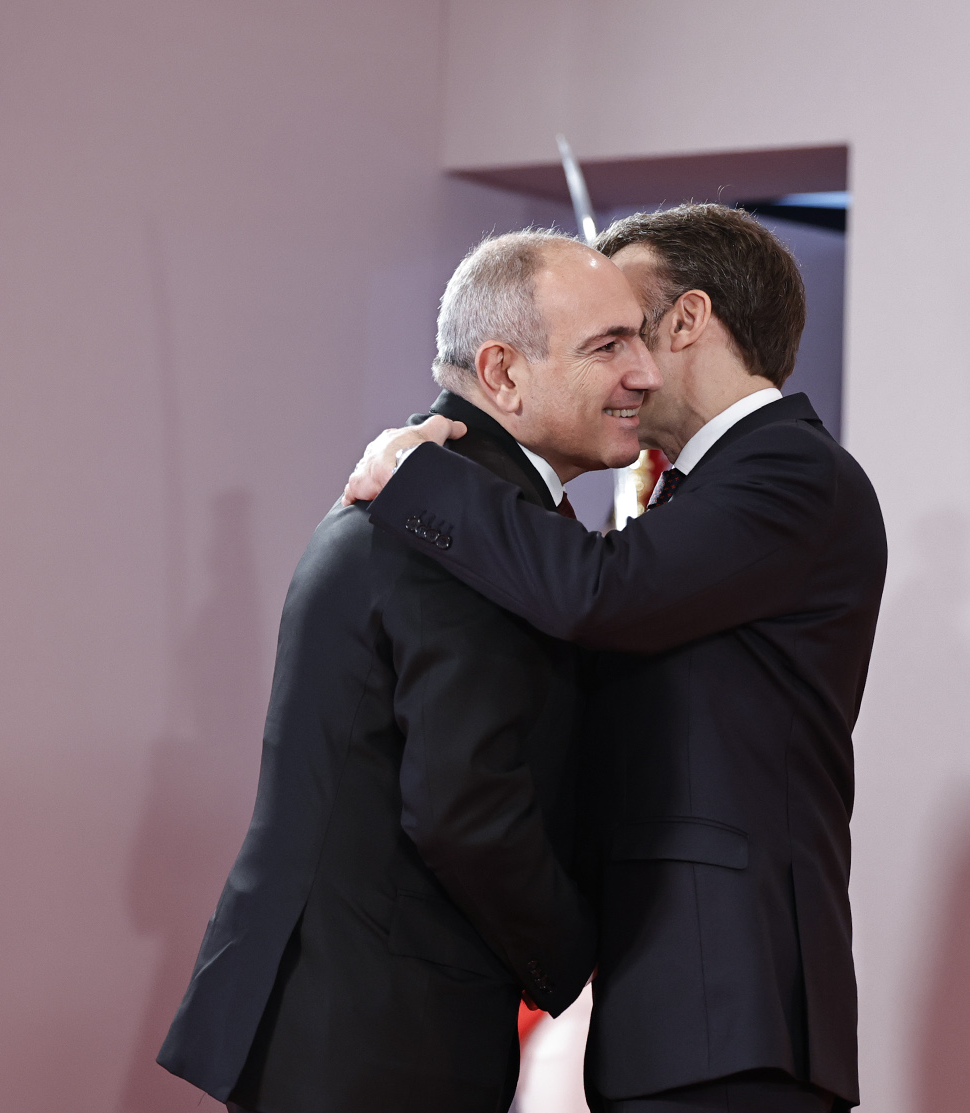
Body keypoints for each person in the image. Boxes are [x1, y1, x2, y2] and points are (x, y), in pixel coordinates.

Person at [344, 204, 887, 1112]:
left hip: (730, 997)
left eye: (631, 328)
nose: (626, 367)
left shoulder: (790, 468)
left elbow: (597, 593)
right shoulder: (707, 488)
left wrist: (424, 477)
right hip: (685, 1002)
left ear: (689, 319)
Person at [157, 230, 661, 1113]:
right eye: (609, 345)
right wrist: (581, 955)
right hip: (376, 1041)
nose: (645, 373)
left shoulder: (434, 498)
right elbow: (465, 808)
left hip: (346, 1024)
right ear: (503, 372)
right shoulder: (466, 532)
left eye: (643, 339)